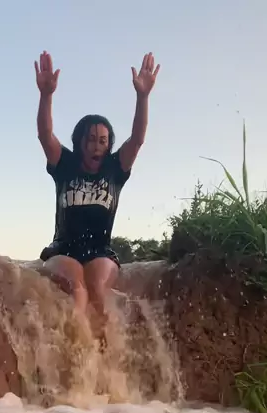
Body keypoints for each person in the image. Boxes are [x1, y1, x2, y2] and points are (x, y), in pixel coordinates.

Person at [35, 50, 160, 333]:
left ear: (109, 145)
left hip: (101, 252)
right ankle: (75, 348)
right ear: (79, 142)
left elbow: (137, 139)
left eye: (103, 141)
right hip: (63, 250)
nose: (96, 146)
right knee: (78, 290)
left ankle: (107, 352)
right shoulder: (64, 165)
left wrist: (143, 97)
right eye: (91, 139)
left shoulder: (115, 169)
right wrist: (46, 95)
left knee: (97, 290)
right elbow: (45, 135)